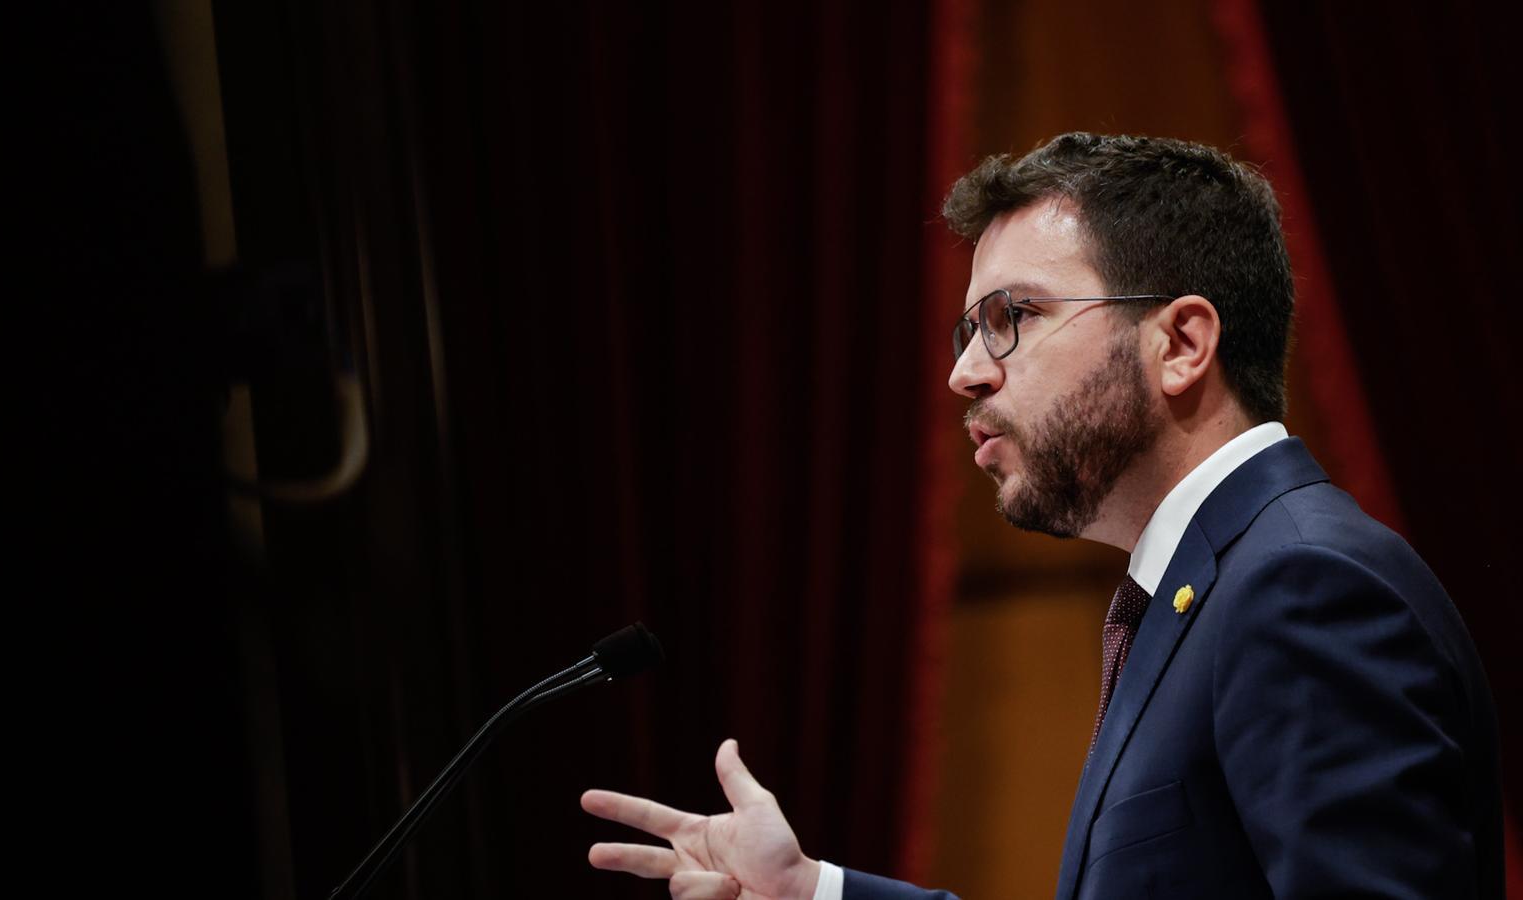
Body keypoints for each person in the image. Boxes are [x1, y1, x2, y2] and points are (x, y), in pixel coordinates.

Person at [579, 133, 1504, 899]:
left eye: (1013, 316)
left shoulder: (1303, 588)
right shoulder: (1211, 590)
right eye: (969, 330)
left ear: (1182, 343)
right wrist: (814, 891)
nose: (966, 372)